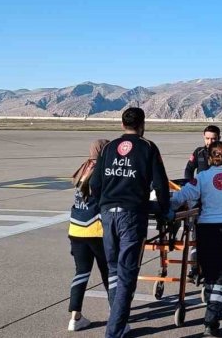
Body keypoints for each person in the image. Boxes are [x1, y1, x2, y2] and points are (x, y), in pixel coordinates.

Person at [90, 107, 171, 338]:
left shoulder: (108, 148)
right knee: (127, 272)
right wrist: (165, 209)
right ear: (142, 124)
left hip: (108, 214)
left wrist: (103, 204)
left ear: (122, 123)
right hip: (131, 216)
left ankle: (120, 321)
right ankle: (114, 331)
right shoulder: (147, 147)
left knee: (114, 269)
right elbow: (160, 184)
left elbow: (95, 184)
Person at [171, 141, 222, 337]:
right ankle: (211, 318)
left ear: (210, 158)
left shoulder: (202, 177)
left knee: (211, 272)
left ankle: (212, 309)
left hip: (206, 228)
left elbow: (183, 196)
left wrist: (165, 204)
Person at [67, 139, 111, 332]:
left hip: (76, 229)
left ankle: (74, 317)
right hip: (96, 228)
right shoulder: (103, 171)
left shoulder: (84, 168)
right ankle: (115, 309)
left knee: (81, 272)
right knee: (109, 272)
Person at [183, 125, 222, 283]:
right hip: (199, 201)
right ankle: (194, 268)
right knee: (196, 235)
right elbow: (188, 171)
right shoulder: (198, 152)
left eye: (213, 138)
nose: (210, 141)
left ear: (219, 138)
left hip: (218, 203)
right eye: (207, 138)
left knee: (217, 236)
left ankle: (215, 267)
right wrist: (191, 187)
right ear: (203, 137)